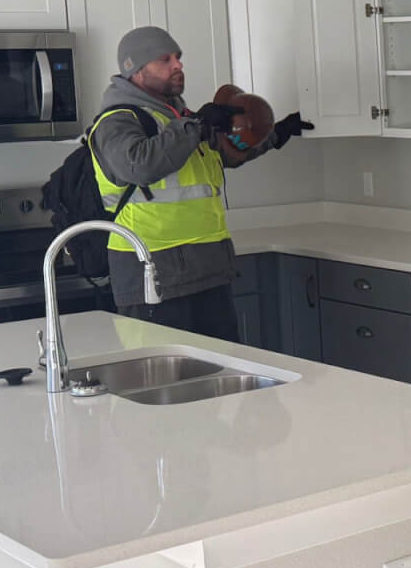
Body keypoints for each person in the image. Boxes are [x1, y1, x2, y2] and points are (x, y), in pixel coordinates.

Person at [88, 25, 312, 338]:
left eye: (178, 57)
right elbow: (139, 165)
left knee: (222, 378)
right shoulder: (117, 120)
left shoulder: (179, 117)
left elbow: (226, 155)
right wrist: (197, 124)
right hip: (154, 275)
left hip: (207, 267)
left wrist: (276, 134)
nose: (178, 65)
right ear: (135, 70)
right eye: (164, 60)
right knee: (167, 383)